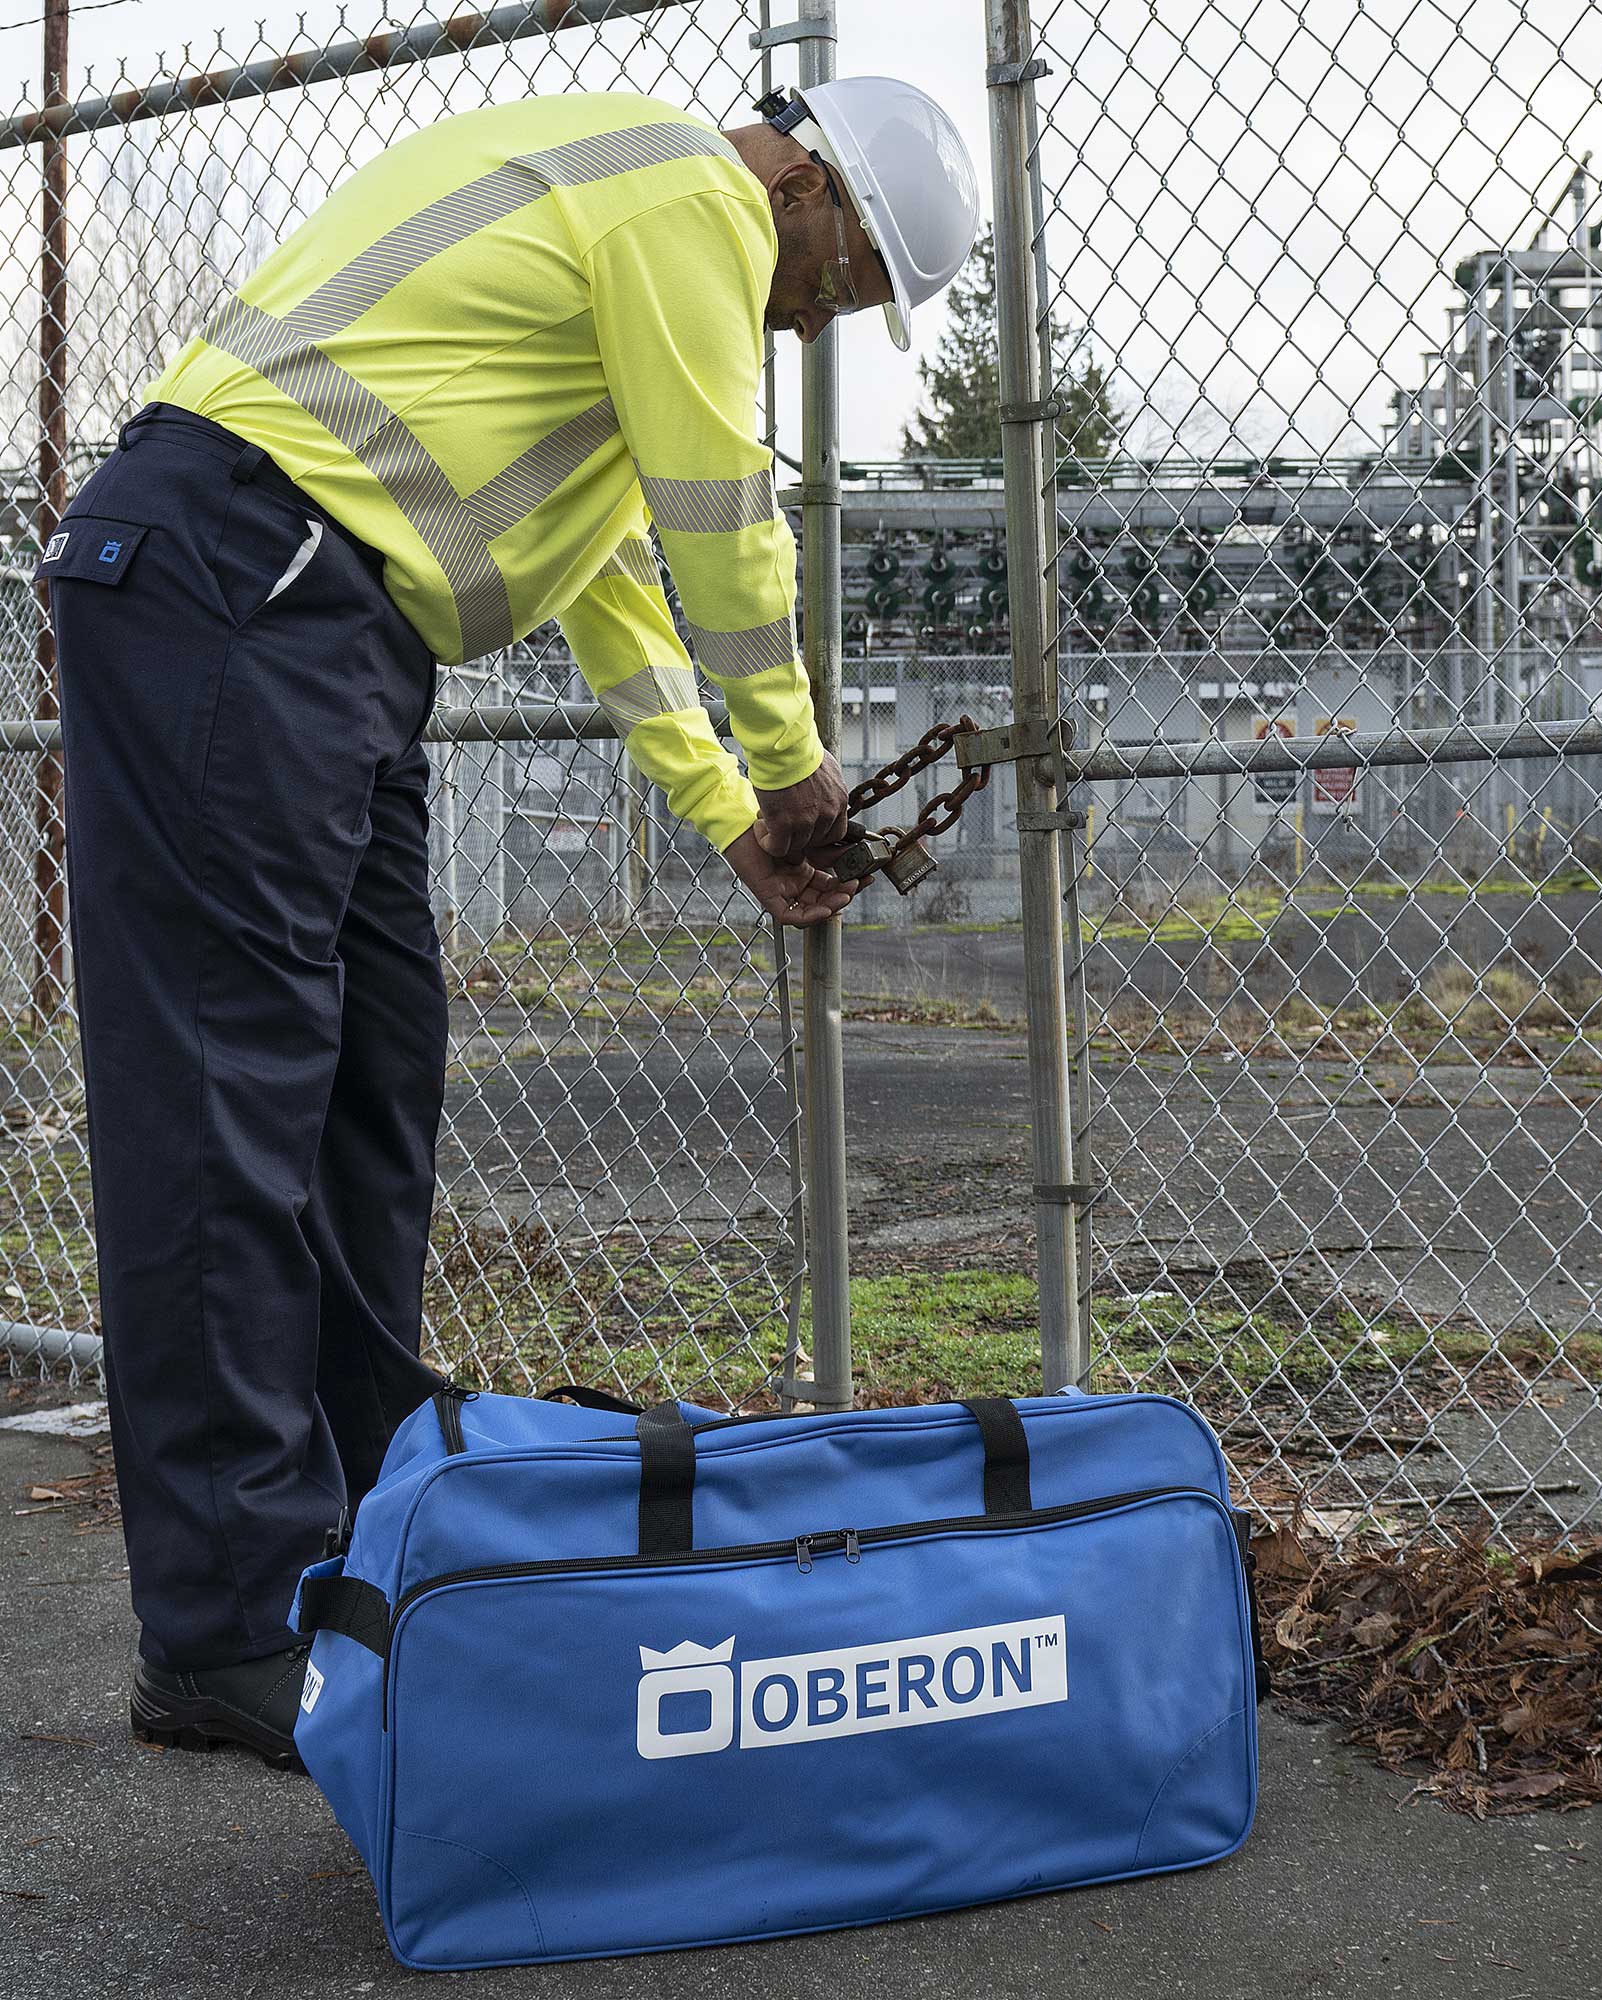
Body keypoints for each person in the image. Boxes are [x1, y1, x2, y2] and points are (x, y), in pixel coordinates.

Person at [46, 77, 979, 1767]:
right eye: (842, 289)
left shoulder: (634, 247)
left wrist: (726, 814)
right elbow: (720, 527)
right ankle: (225, 1625)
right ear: (812, 191)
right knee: (221, 1105)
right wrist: (795, 773)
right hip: (239, 575)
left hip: (326, 628)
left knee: (374, 1077)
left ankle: (355, 1531)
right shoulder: (683, 201)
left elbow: (619, 577)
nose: (819, 325)